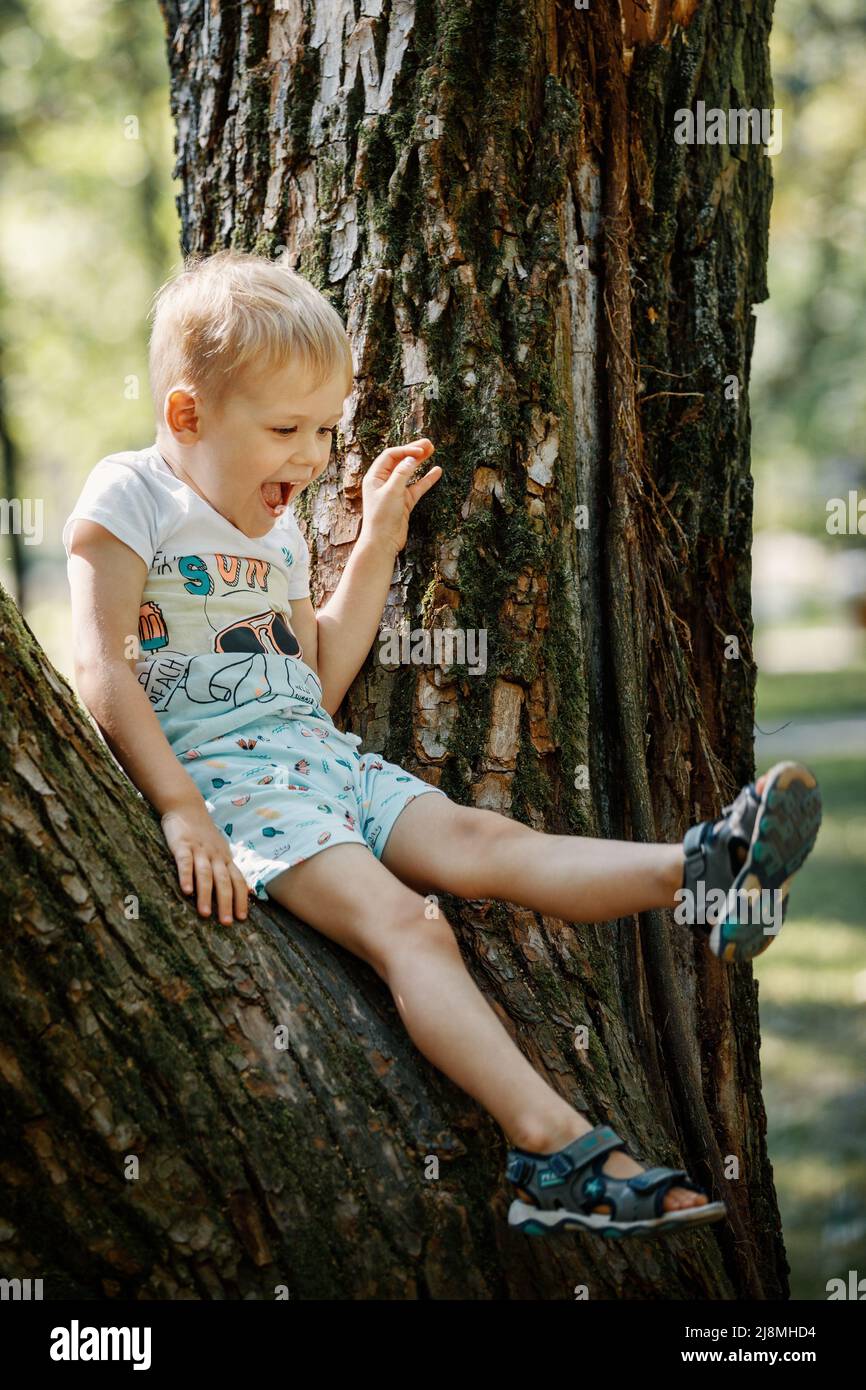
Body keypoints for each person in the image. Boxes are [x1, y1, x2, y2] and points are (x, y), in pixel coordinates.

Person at [63, 249, 822, 1241]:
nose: (308, 457)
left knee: (485, 841)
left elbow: (316, 676)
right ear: (185, 416)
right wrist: (179, 808)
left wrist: (372, 542)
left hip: (318, 757)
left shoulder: (281, 533)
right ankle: (552, 1145)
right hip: (236, 791)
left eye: (325, 430)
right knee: (413, 926)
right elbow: (103, 673)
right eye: (285, 429)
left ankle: (707, 868)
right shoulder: (131, 496)